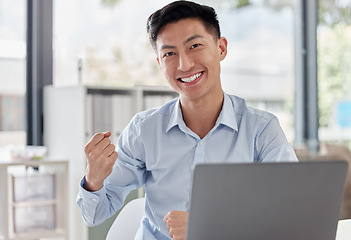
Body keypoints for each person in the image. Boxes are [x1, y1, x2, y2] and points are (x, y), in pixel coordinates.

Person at [76, 1, 298, 239]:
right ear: (160, 63)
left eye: (195, 46)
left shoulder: (261, 129)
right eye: (170, 53)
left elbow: (291, 211)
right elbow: (95, 215)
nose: (184, 64)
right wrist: (94, 180)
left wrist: (209, 225)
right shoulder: (144, 131)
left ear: (221, 48)